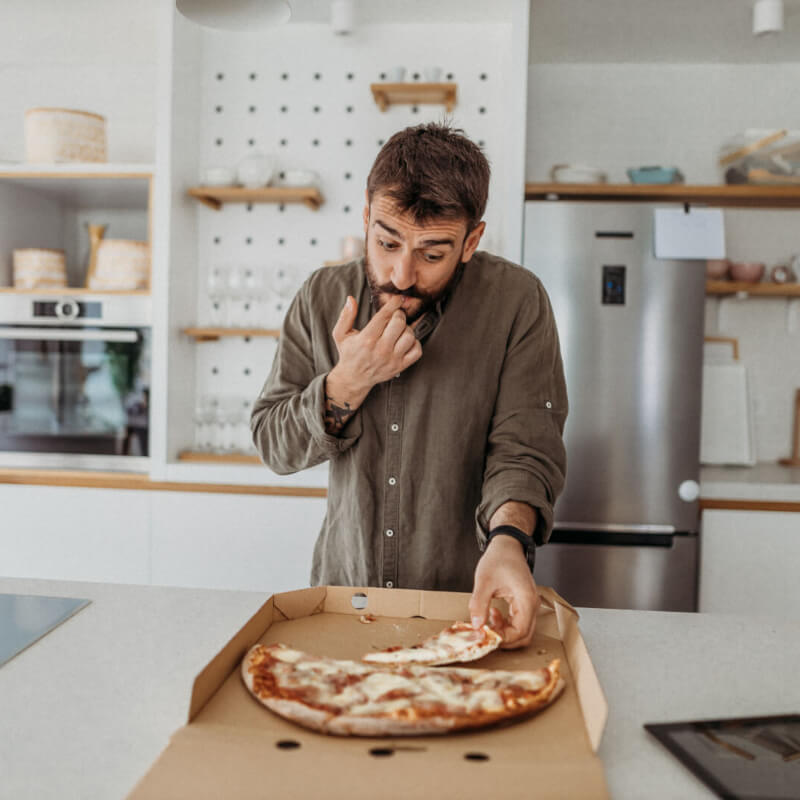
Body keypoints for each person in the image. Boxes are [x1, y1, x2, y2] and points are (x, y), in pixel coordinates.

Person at [251, 122, 567, 649]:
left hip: (468, 606)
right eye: (386, 242)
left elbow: (525, 447)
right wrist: (346, 384)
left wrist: (510, 540)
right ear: (366, 218)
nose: (401, 273)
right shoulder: (320, 294)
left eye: (433, 253)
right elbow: (273, 446)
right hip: (343, 601)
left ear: (472, 241)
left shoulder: (517, 301)